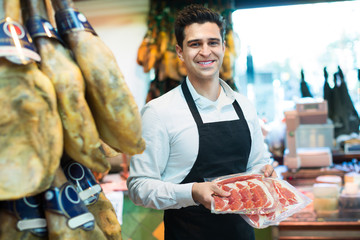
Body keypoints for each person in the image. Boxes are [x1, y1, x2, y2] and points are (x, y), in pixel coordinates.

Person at [127, 4, 277, 240]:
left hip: (242, 234)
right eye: (195, 44)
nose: (206, 52)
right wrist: (193, 192)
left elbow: (258, 164)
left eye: (213, 43)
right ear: (179, 51)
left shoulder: (245, 106)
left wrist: (263, 174)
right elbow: (139, 187)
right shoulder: (158, 111)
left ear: (223, 47)